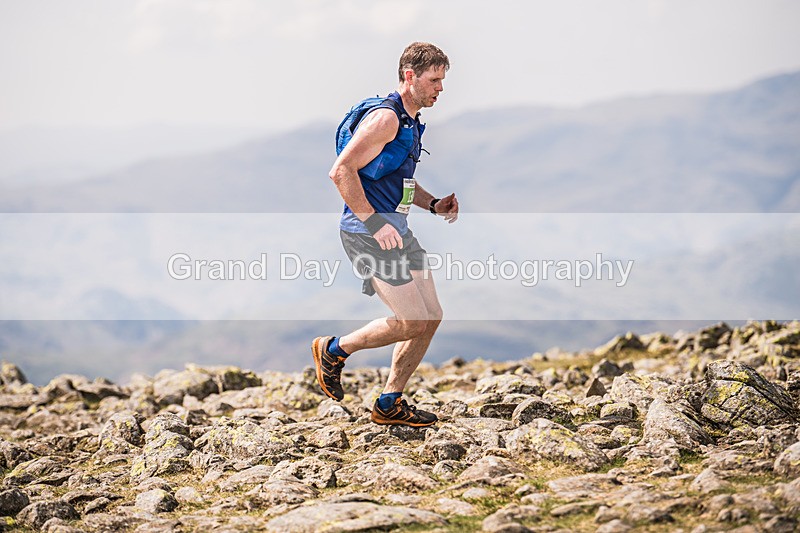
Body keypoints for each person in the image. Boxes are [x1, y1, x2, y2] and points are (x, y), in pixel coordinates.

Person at [312, 42, 458, 427]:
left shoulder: (410, 121)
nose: (440, 88)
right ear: (409, 77)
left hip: (397, 229)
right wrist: (375, 223)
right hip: (369, 232)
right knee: (411, 320)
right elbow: (341, 171)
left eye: (443, 80)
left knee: (431, 317)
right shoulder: (386, 120)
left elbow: (399, 179)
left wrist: (433, 204)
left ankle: (390, 401)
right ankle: (334, 349)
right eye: (434, 80)